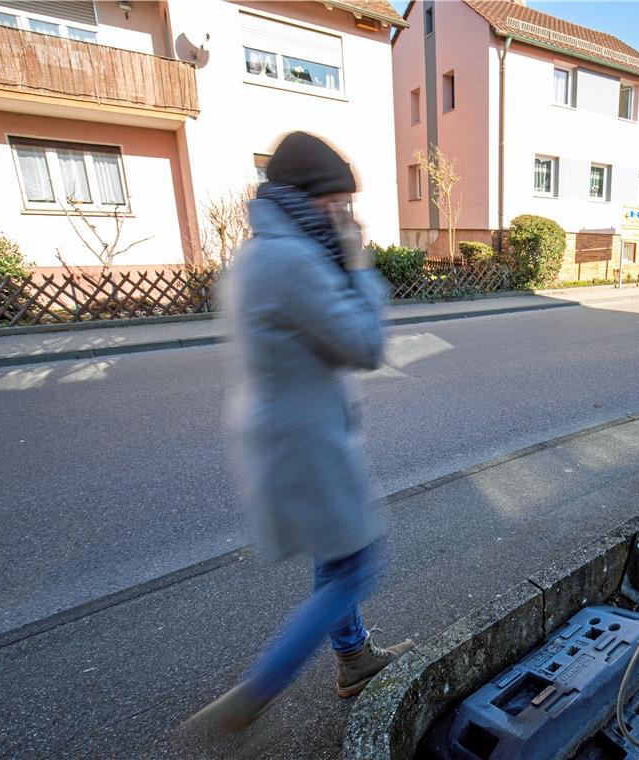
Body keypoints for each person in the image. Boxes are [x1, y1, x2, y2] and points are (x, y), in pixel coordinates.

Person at [187, 132, 412, 734]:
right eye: (338, 203)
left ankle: (354, 658)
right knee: (361, 565)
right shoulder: (292, 261)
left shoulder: (261, 252)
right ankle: (259, 689)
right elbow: (365, 346)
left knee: (335, 558)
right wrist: (360, 264)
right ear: (309, 199)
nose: (345, 216)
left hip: (288, 432)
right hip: (307, 442)